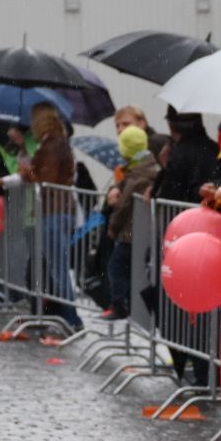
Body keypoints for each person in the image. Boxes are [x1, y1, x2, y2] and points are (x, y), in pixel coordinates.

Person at [20, 101, 81, 331]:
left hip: (55, 211)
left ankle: (72, 319)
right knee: (56, 267)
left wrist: (29, 172)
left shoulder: (53, 145)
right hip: (55, 210)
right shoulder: (54, 143)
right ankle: (67, 316)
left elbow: (47, 181)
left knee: (58, 268)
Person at [96, 124, 159, 319]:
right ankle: (131, 307)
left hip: (130, 232)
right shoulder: (145, 166)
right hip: (138, 230)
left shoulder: (138, 173)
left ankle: (121, 306)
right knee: (131, 269)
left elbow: (123, 205)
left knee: (116, 266)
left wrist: (113, 228)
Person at [156, 109, 221, 204]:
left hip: (187, 215)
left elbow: (170, 193)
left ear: (171, 125)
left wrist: (166, 166)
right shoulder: (217, 148)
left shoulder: (178, 152)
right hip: (216, 212)